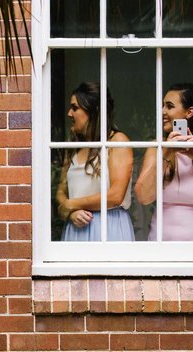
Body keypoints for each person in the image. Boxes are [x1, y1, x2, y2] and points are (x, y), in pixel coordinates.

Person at [54, 82, 135, 241]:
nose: (69, 114)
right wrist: (72, 212)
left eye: (75, 108)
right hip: (77, 227)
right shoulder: (73, 147)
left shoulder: (117, 141)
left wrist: (72, 205)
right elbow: (61, 192)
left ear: (93, 111)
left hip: (109, 225)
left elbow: (116, 195)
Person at [134, 82, 193, 241]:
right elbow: (143, 196)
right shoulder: (157, 147)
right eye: (163, 106)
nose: (163, 111)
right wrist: (167, 152)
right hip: (162, 248)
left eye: (169, 106)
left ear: (189, 112)